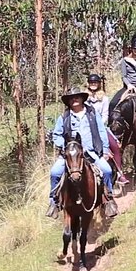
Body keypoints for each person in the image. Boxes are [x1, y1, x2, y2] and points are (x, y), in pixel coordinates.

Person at [47, 87, 117, 218]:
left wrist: (105, 150)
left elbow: (102, 131)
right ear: (68, 102)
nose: (74, 100)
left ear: (82, 99)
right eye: (71, 98)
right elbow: (56, 135)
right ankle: (54, 202)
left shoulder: (92, 113)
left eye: (77, 97)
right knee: (55, 172)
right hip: (70, 155)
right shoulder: (64, 117)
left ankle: (108, 200)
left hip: (91, 153)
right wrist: (65, 147)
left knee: (107, 170)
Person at [85, 73, 130, 185]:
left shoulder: (104, 99)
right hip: (85, 127)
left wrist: (98, 124)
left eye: (95, 83)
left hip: (100, 127)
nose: (93, 85)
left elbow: (105, 115)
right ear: (88, 84)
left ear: (99, 84)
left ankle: (120, 174)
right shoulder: (84, 98)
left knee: (115, 146)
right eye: (91, 83)